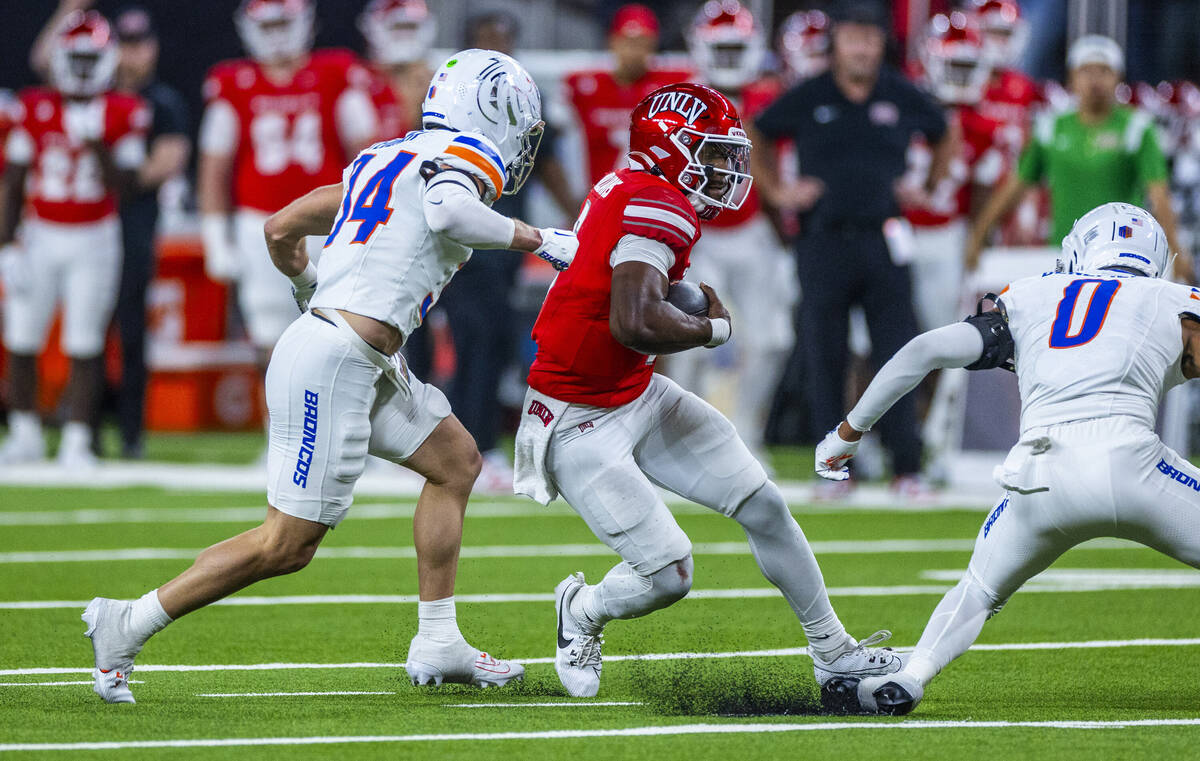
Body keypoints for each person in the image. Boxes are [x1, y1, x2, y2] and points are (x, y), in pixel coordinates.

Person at [81, 49, 579, 704]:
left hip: (354, 354)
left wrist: (305, 281)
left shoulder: (386, 156)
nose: (519, 137)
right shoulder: (462, 165)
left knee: (455, 462)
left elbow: (281, 225)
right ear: (486, 112)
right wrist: (540, 237)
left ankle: (437, 638)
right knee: (286, 543)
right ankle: (128, 621)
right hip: (337, 359)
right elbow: (449, 214)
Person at [513, 82, 901, 699]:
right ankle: (582, 610)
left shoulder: (635, 186)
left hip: (632, 392)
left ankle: (833, 652)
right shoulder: (658, 203)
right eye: (712, 153)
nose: (726, 170)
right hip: (575, 413)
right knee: (668, 575)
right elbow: (633, 321)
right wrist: (710, 328)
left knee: (764, 504)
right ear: (670, 149)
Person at [813, 202, 1200, 715]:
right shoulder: (1174, 301)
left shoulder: (1032, 296)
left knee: (977, 589)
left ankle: (910, 676)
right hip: (1134, 466)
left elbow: (923, 350)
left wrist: (848, 431)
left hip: (1038, 476)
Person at [750, 0, 953, 493]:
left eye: (870, 38)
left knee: (899, 354)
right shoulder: (810, 93)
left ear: (882, 44)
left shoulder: (900, 93)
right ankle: (834, 468)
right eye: (853, 37)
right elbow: (754, 130)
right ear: (835, 43)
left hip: (885, 236)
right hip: (822, 239)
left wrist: (928, 186)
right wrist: (777, 193)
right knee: (825, 355)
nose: (862, 47)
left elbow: (947, 131)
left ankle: (907, 466)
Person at [418, 10, 581, 492]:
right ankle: (406, 442)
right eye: (488, 40)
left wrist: (578, 213)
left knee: (483, 343)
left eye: (504, 41)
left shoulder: (524, 93)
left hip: (491, 243)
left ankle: (476, 442)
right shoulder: (447, 93)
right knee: (410, 342)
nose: (498, 49)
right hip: (443, 234)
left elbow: (545, 159)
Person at [198, 0, 378, 380]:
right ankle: (278, 435)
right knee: (269, 331)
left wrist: (370, 218)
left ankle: (341, 429)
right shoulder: (233, 81)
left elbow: (367, 154)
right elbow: (214, 167)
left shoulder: (336, 72)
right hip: (259, 221)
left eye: (285, 24)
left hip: (330, 219)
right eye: (268, 26)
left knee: (344, 327)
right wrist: (215, 236)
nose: (278, 36)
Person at [0, 11, 148, 467]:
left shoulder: (124, 110)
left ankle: (78, 439)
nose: (82, 70)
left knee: (84, 342)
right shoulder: (34, 105)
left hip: (94, 236)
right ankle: (24, 434)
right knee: (22, 336)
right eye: (76, 59)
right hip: (40, 232)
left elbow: (125, 188)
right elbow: (15, 180)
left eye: (90, 60)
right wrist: (6, 245)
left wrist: (96, 140)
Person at [667, 0, 795, 466]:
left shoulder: (773, 98)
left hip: (755, 231)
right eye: (718, 50)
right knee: (686, 340)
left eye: (734, 49)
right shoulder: (678, 99)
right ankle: (677, 443)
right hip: (696, 232)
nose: (726, 60)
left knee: (769, 340)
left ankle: (745, 435)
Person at [967, 35, 1194, 283]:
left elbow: (1159, 195)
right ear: (1071, 77)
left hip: (1123, 257)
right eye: (1086, 70)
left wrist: (1177, 252)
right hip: (1064, 253)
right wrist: (979, 234)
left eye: (1104, 70)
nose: (1095, 79)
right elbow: (1016, 186)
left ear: (1118, 77)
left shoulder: (1137, 128)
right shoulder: (1051, 128)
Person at [107, 6, 191, 459]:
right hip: (88, 225)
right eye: (122, 44)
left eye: (137, 44)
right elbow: (46, 62)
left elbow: (162, 166)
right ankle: (82, 425)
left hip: (135, 226)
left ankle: (130, 431)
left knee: (132, 328)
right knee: (87, 330)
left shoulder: (162, 103)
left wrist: (110, 170)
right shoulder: (94, 96)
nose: (129, 55)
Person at [562, 4, 692, 188]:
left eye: (641, 44)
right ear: (612, 41)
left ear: (653, 45)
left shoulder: (671, 87)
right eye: (627, 42)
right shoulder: (583, 85)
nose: (633, 52)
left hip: (650, 197)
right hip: (596, 195)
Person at [358, 0, 436, 141]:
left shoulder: (439, 79)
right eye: (398, 27)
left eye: (410, 27)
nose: (404, 36)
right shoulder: (357, 78)